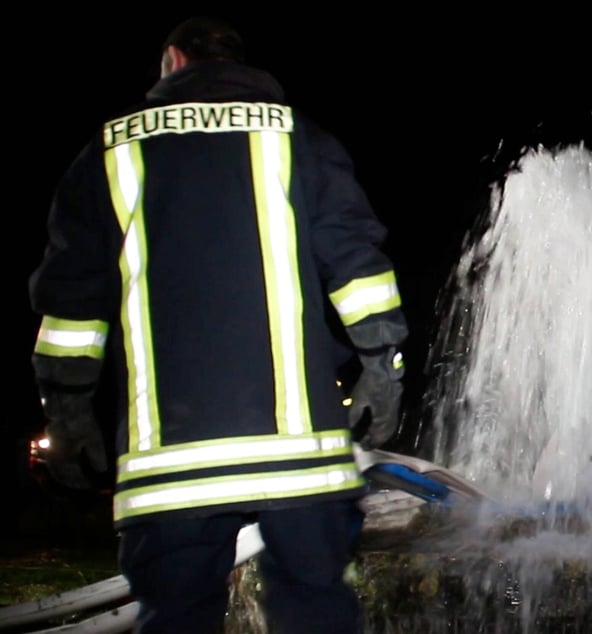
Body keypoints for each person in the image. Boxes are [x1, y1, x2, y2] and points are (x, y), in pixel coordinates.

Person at [28, 16, 407, 633]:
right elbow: (359, 267)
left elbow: (72, 302)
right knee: (315, 611)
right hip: (299, 460)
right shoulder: (298, 136)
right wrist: (384, 369)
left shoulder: (110, 150)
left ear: (174, 60)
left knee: (176, 619)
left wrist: (66, 409)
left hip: (168, 467)